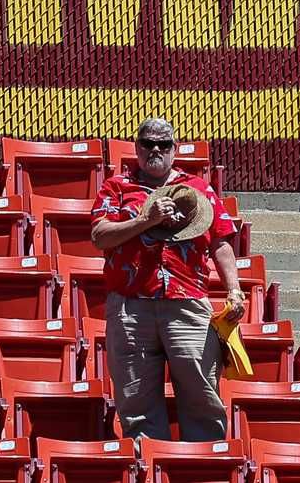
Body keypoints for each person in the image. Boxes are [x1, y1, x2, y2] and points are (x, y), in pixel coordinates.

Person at [90, 118, 244, 441]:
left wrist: (234, 289)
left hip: (187, 304)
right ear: (137, 147)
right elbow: (100, 235)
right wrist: (146, 220)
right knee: (136, 397)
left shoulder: (198, 188)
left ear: (175, 149)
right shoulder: (117, 187)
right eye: (148, 143)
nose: (155, 150)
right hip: (131, 306)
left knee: (201, 389)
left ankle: (204, 463)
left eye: (163, 144)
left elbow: (220, 242)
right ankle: (148, 461)